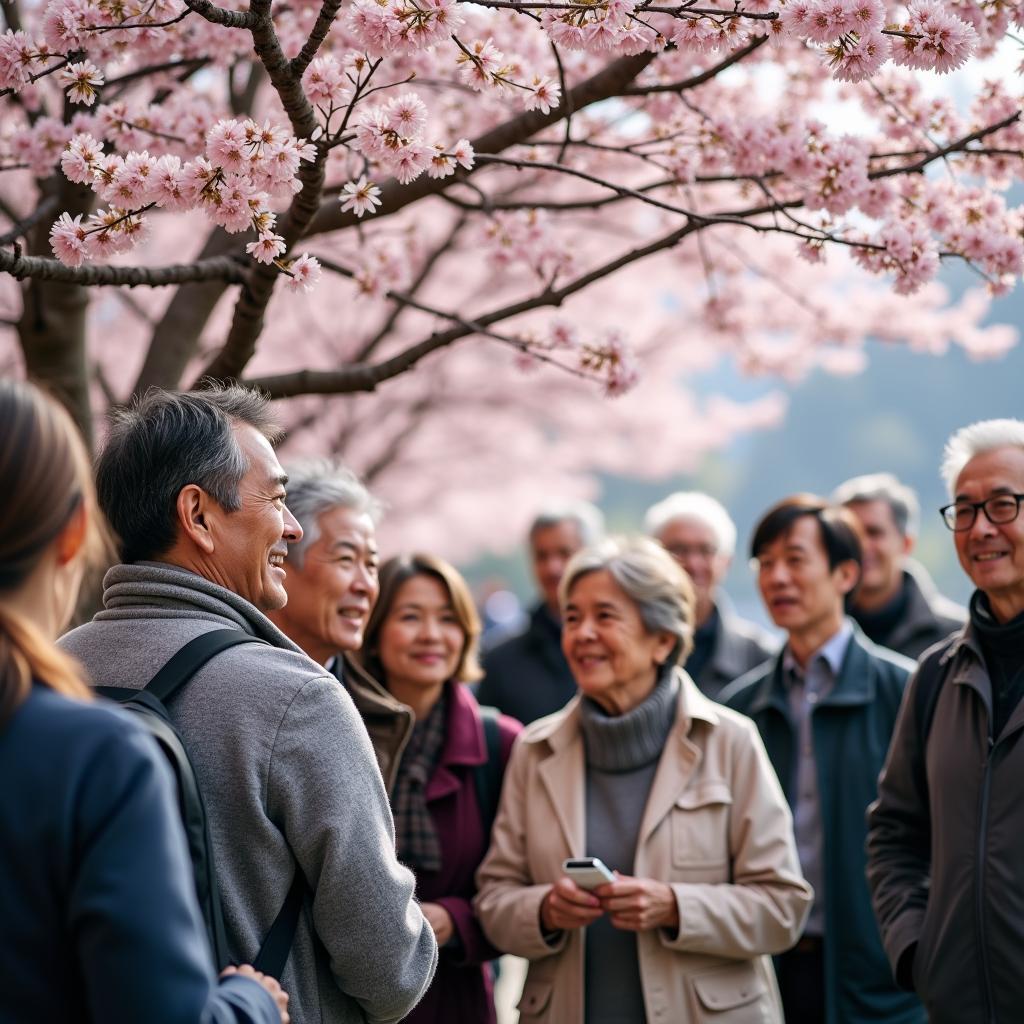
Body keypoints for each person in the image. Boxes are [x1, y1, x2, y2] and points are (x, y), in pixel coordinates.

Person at [60, 385, 437, 1024]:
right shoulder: (296, 698)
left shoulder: (48, 673)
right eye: (276, 498)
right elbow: (389, 970)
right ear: (199, 516)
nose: (291, 527)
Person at [0, 379, 288, 1024]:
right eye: (274, 498)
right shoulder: (97, 756)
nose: (291, 526)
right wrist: (254, 1002)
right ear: (73, 534)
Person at [475, 535, 811, 1024]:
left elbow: (783, 909)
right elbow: (494, 902)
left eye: (605, 617)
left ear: (663, 640)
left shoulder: (732, 742)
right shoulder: (535, 750)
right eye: (572, 618)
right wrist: (544, 910)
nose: (583, 633)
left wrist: (676, 906)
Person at [721, 495, 923, 1024]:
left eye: (794, 559)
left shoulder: (907, 691)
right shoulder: (740, 710)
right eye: (765, 564)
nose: (777, 578)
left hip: (882, 975)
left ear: (845, 573)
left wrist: (912, 945)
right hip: (766, 968)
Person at [868, 419, 1024, 1024]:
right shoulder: (936, 674)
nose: (982, 528)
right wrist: (916, 949)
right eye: (964, 510)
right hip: (958, 1004)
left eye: (1004, 505)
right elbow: (895, 832)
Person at [352, 553, 522, 1023]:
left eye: (447, 620)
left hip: (456, 996)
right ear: (375, 630)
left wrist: (457, 920)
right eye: (410, 617)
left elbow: (530, 887)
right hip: (352, 998)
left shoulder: (502, 744)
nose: (431, 635)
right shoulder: (337, 735)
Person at [477, 502, 603, 725]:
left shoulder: (617, 649)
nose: (552, 568)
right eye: (541, 556)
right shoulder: (500, 662)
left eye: (565, 553)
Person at [644, 491, 775, 699]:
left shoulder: (762, 660)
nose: (693, 564)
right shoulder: (623, 647)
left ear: (726, 562)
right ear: (651, 559)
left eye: (705, 551)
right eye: (679, 550)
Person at [833, 472, 965, 659]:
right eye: (852, 534)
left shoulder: (957, 637)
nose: (862, 546)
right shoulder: (817, 636)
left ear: (906, 544)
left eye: (874, 533)